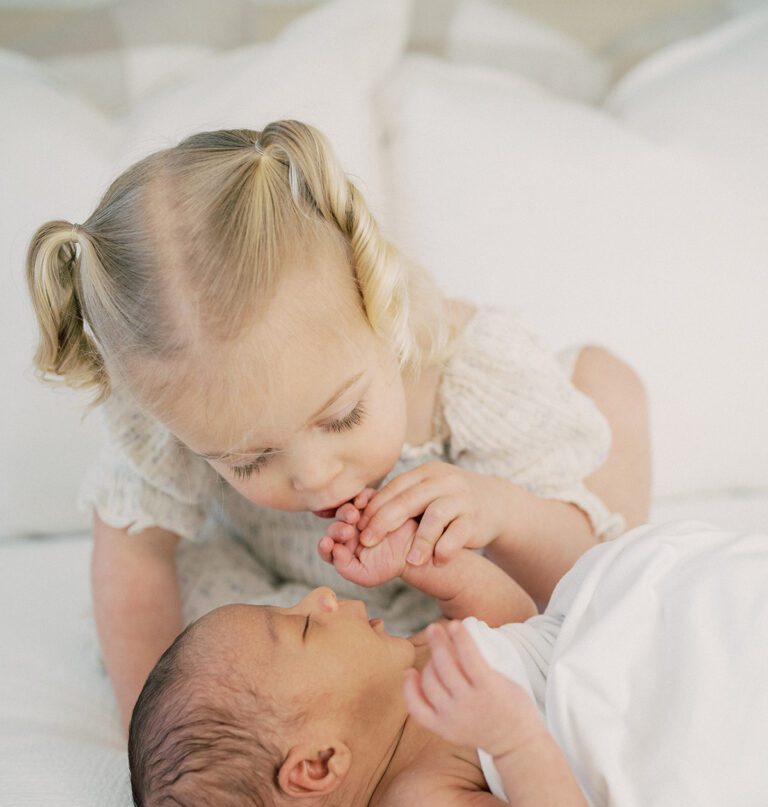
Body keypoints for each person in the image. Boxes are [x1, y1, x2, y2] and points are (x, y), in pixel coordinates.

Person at [25, 120, 650, 734]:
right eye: (248, 460)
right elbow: (133, 557)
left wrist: (501, 511)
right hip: (297, 599)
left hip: (493, 566)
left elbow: (577, 570)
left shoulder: (465, 374)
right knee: (197, 657)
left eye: (342, 416)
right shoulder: (170, 416)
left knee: (599, 545)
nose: (315, 476)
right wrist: (151, 736)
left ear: (382, 311)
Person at [128, 514, 768, 807]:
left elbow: (524, 633)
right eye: (300, 631)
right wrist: (513, 739)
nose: (320, 598)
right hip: (668, 721)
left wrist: (434, 568)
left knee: (716, 596)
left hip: (640, 633)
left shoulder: (409, 662)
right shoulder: (417, 799)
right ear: (319, 764)